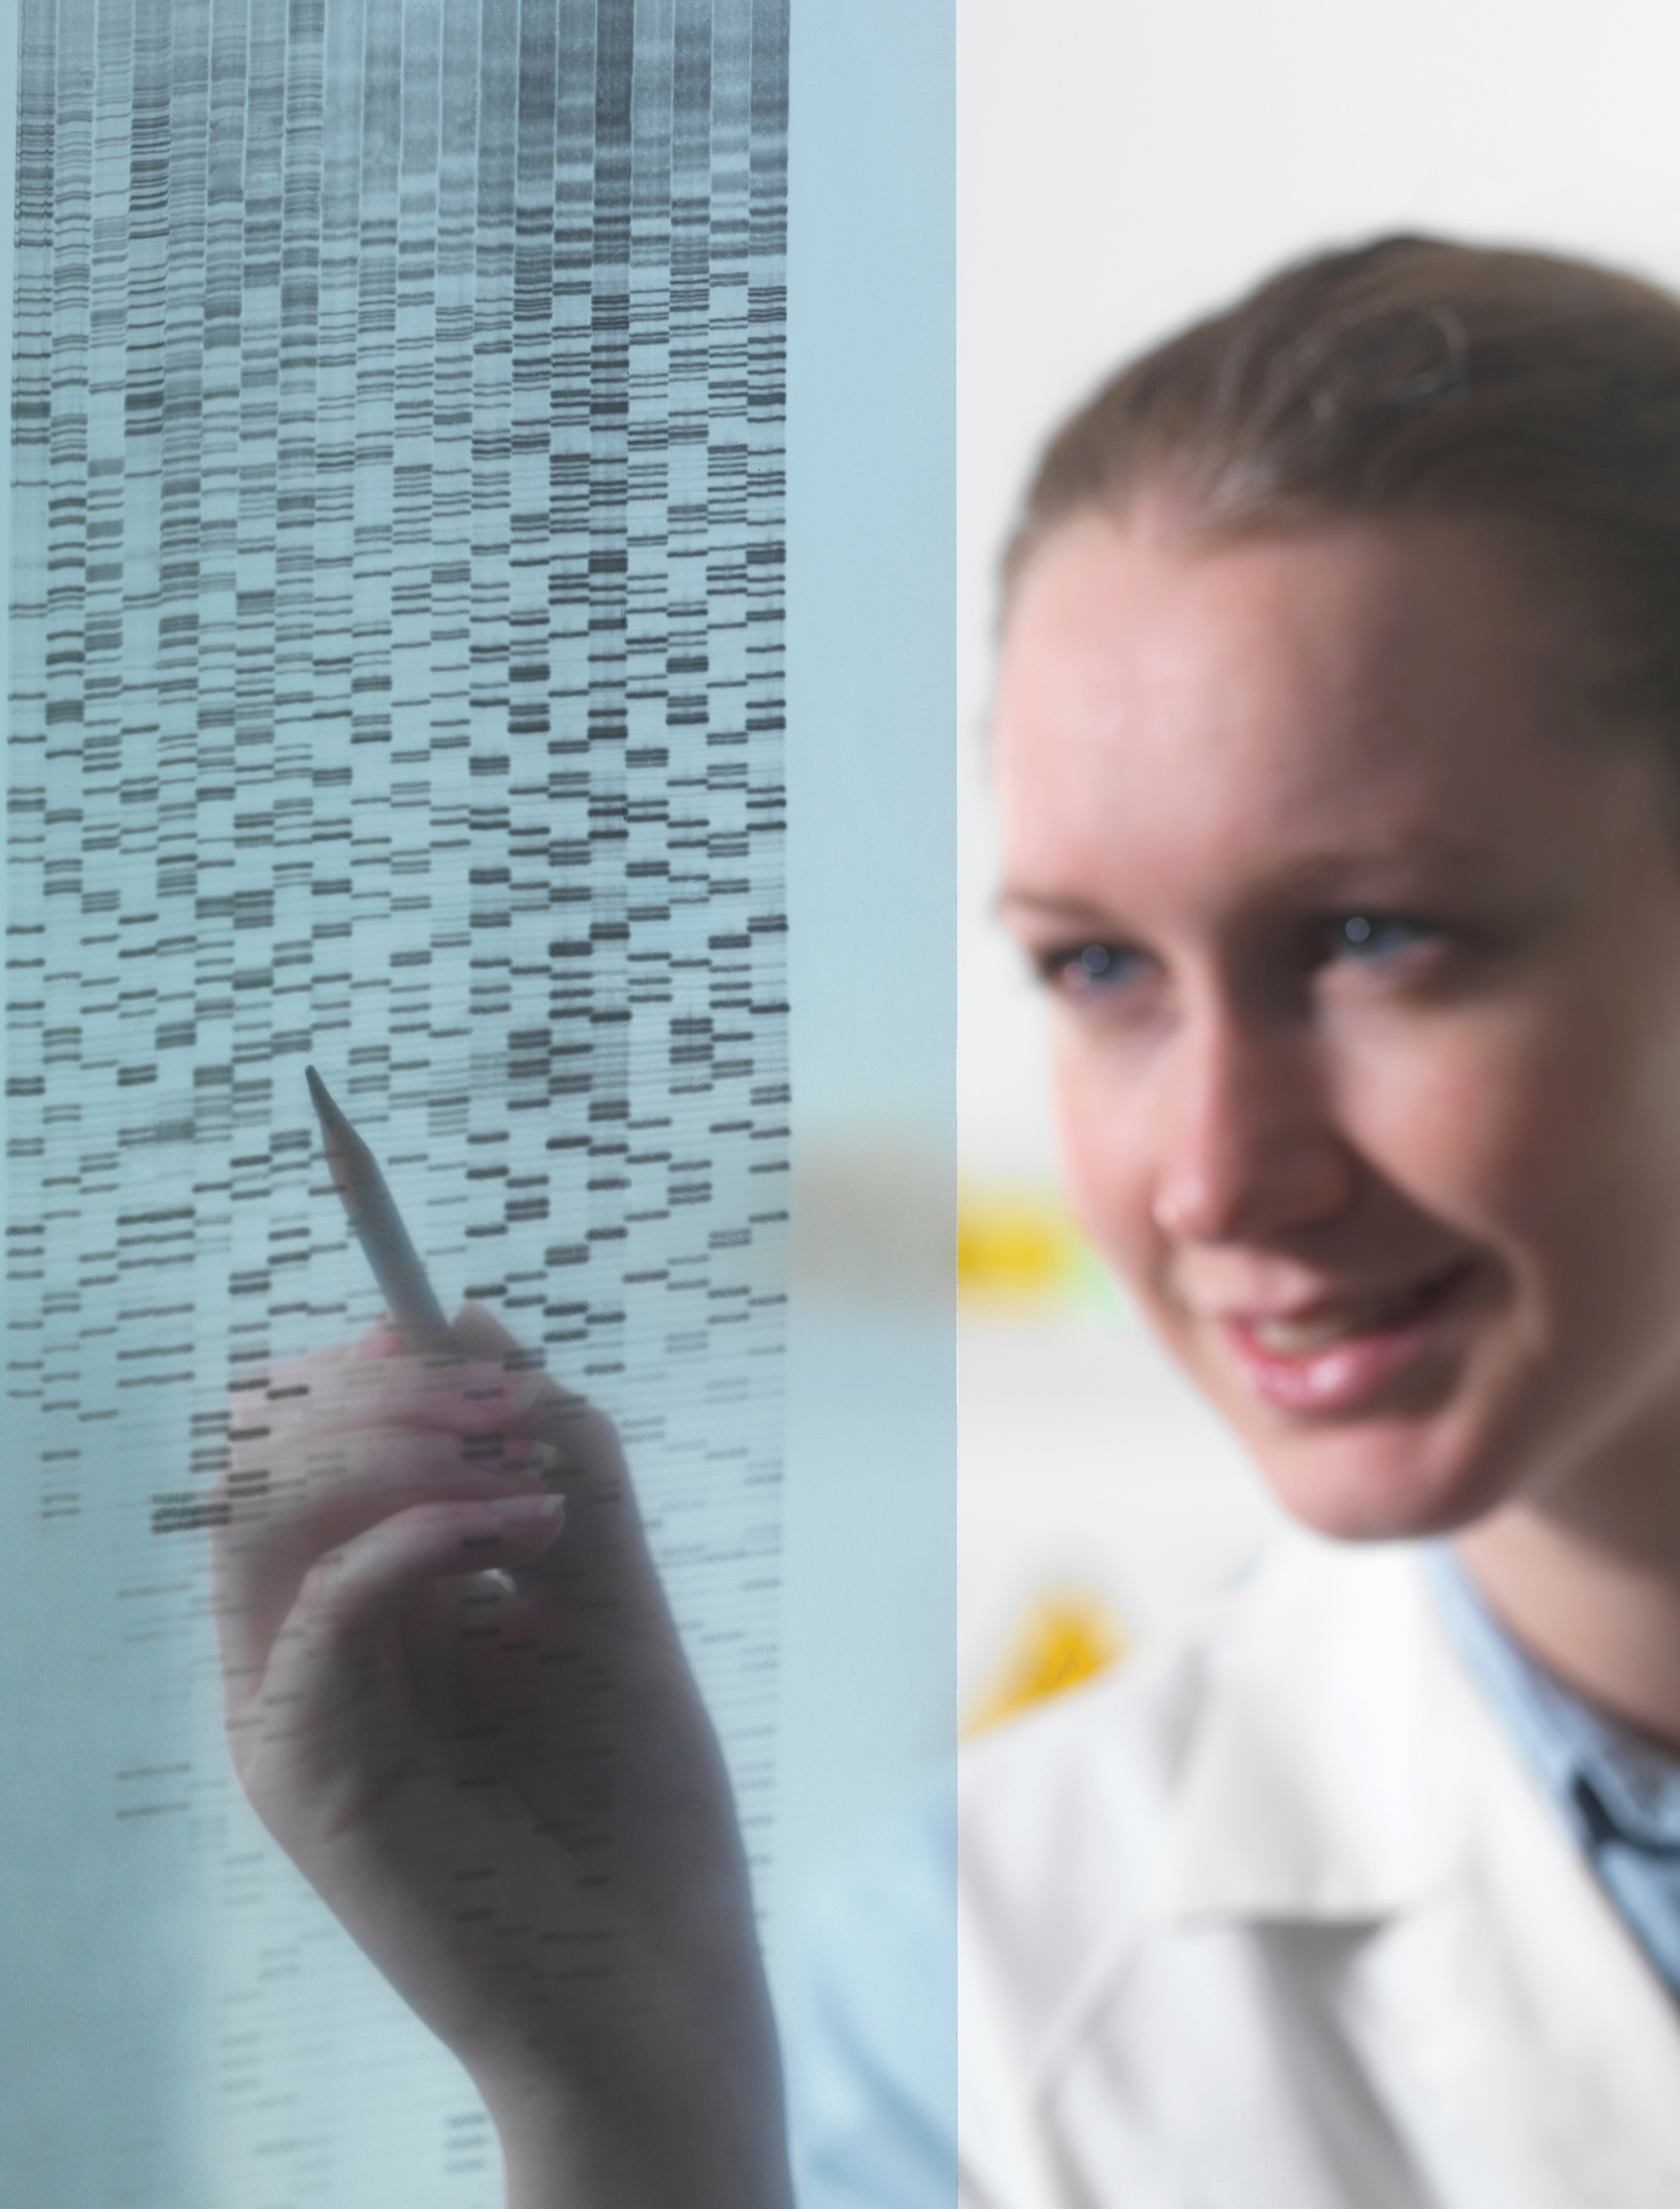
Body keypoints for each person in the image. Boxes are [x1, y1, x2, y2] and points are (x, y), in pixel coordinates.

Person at [214, 231, 1680, 2207]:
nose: (1211, 1175)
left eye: (1373, 937)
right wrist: (629, 2119)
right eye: (1096, 971)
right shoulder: (975, 1995)